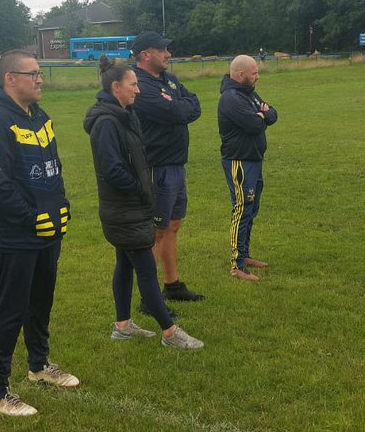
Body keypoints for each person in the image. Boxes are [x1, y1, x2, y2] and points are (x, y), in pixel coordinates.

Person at [0, 49, 77, 417]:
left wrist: (60, 204)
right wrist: (31, 217)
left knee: (40, 302)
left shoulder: (38, 114)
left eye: (39, 73)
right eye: (32, 73)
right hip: (14, 236)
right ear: (10, 79)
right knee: (9, 310)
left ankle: (39, 365)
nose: (40, 79)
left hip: (48, 233)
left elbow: (55, 165)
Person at [83, 60, 205, 350]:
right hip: (124, 208)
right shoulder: (107, 123)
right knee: (146, 270)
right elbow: (112, 169)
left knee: (124, 264)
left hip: (129, 206)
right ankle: (170, 331)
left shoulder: (125, 114)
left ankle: (123, 326)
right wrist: (141, 190)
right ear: (116, 87)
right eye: (133, 84)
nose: (138, 89)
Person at [128, 31, 204, 305]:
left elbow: (193, 106)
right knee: (157, 231)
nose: (168, 54)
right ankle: (149, 298)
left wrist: (179, 106)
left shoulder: (169, 79)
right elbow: (174, 113)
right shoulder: (140, 84)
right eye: (163, 50)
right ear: (146, 54)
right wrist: (178, 108)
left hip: (175, 163)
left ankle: (172, 285)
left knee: (173, 225)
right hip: (156, 166)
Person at [218, 55, 279, 282]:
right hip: (240, 161)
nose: (258, 76)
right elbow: (255, 125)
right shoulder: (231, 98)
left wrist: (263, 113)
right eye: (254, 73)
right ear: (240, 74)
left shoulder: (249, 93)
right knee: (242, 209)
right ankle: (237, 265)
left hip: (254, 159)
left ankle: (245, 254)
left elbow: (272, 113)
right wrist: (262, 116)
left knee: (251, 209)